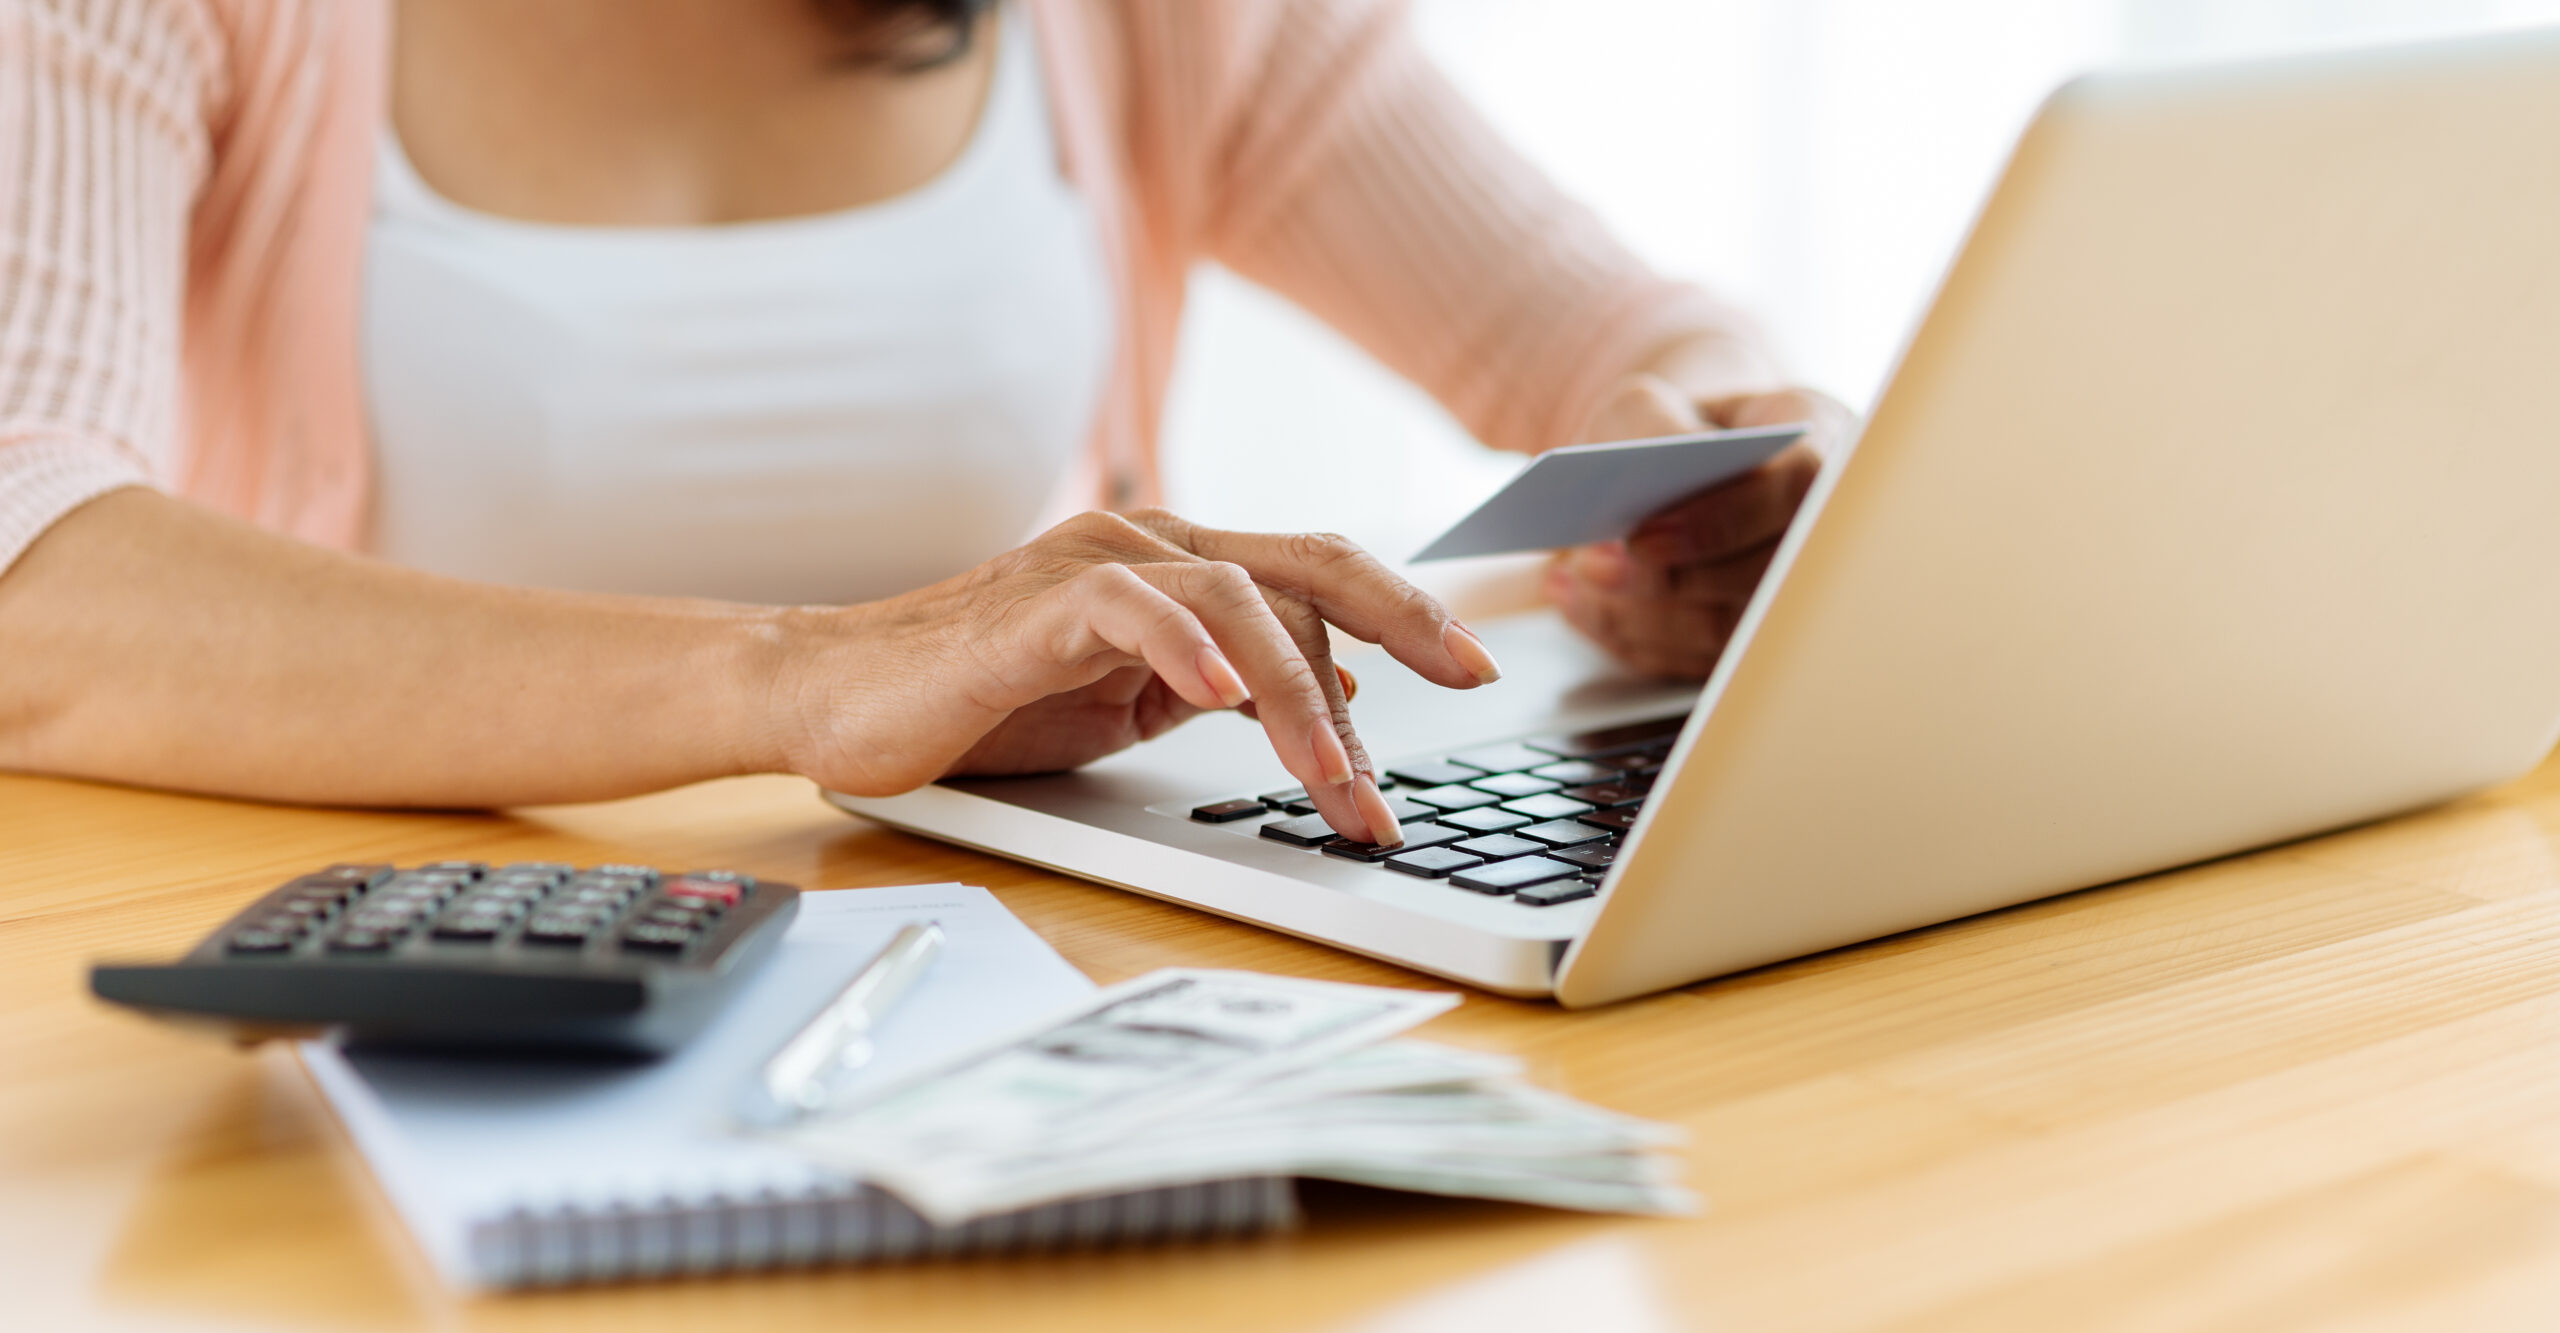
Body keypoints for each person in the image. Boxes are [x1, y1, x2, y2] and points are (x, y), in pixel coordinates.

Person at [0, 0, 1842, 847]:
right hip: (401, 972)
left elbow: (1632, 337)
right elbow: (33, 571)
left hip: (983, 968)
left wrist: (1716, 475)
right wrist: (803, 678)